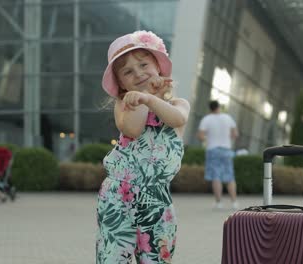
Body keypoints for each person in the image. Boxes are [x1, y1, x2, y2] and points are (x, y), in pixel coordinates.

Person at [96, 30, 190, 264]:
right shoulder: (124, 105)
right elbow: (133, 129)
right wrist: (142, 97)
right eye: (128, 72)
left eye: (143, 64)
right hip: (120, 192)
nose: (138, 73)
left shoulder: (178, 104)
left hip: (156, 196)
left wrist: (150, 98)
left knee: (157, 257)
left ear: (158, 66)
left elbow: (177, 119)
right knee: (113, 257)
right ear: (121, 84)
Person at [197, 101, 239, 210]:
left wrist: (208, 139)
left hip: (213, 149)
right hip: (226, 149)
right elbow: (235, 134)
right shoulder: (228, 118)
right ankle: (234, 202)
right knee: (230, 176)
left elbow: (201, 136)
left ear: (210, 108)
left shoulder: (206, 119)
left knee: (216, 176)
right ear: (219, 107)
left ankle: (219, 203)